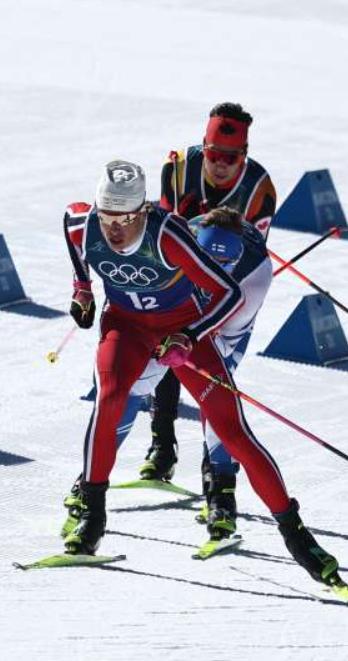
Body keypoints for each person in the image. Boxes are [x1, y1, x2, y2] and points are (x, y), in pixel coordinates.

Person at [62, 160, 342, 587]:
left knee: (232, 432)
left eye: (125, 220)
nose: (114, 230)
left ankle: (296, 536)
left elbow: (226, 293)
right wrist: (82, 287)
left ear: (142, 211)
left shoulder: (168, 234)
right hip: (125, 325)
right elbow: (71, 223)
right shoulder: (87, 225)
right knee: (111, 397)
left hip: (180, 327)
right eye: (107, 218)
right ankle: (92, 517)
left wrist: (189, 336)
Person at [63, 206, 274, 547]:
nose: (215, 272)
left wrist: (189, 339)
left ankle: (221, 493)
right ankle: (89, 483)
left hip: (225, 318)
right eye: (210, 262)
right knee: (129, 389)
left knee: (217, 394)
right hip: (174, 308)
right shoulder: (181, 244)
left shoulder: (253, 279)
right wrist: (84, 285)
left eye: (224, 266)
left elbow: (220, 321)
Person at [140, 102, 277, 484]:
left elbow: (250, 255)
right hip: (179, 275)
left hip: (232, 287)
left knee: (215, 375)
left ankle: (215, 472)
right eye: (214, 155)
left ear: (244, 157)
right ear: (204, 146)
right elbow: (166, 235)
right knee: (169, 351)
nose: (219, 165)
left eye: (230, 159)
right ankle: (162, 447)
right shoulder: (179, 167)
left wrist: (201, 222)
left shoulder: (260, 190)